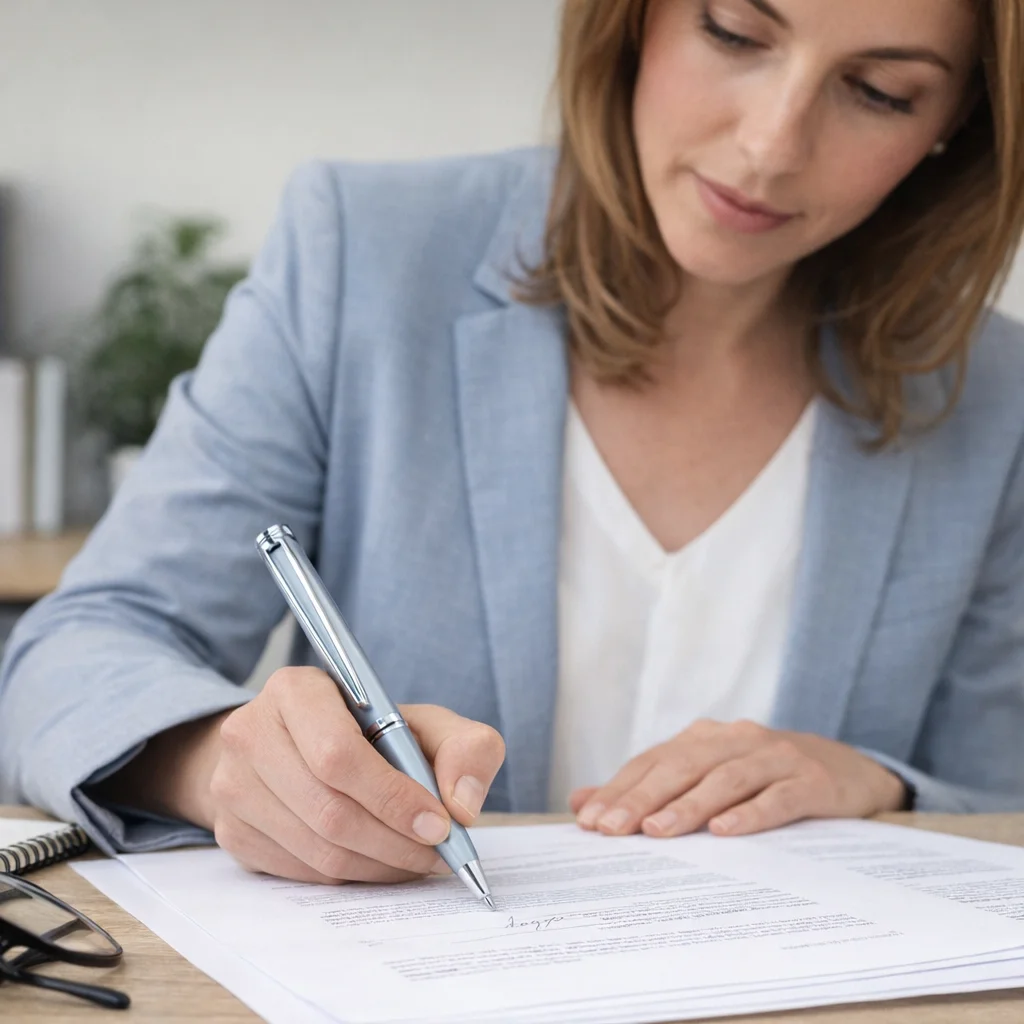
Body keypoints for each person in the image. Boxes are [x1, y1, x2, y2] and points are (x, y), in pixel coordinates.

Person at [2, 0, 1024, 888]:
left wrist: (883, 786)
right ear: (633, 18)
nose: (770, 143)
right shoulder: (364, 254)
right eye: (733, 31)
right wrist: (221, 761)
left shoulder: (996, 396)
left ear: (956, 123)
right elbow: (71, 655)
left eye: (882, 91)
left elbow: (1000, 796)